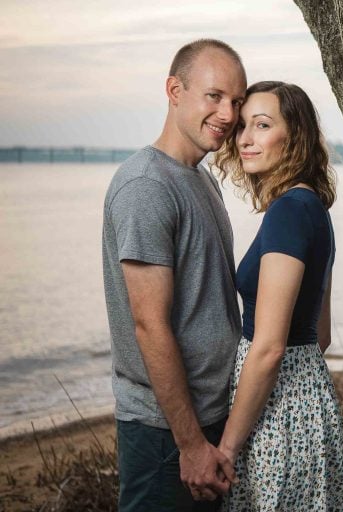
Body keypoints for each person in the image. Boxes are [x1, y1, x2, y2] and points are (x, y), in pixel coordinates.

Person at [101, 39, 246, 511]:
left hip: (209, 422)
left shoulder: (201, 179)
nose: (228, 114)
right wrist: (188, 444)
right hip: (166, 434)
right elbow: (149, 324)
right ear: (174, 90)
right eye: (215, 96)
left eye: (237, 101)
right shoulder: (147, 185)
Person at [213, 81, 343, 510]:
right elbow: (320, 334)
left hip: (277, 412)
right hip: (307, 401)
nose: (245, 139)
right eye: (242, 127)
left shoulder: (289, 213)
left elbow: (270, 348)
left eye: (262, 125)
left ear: (294, 135)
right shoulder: (312, 207)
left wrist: (228, 449)